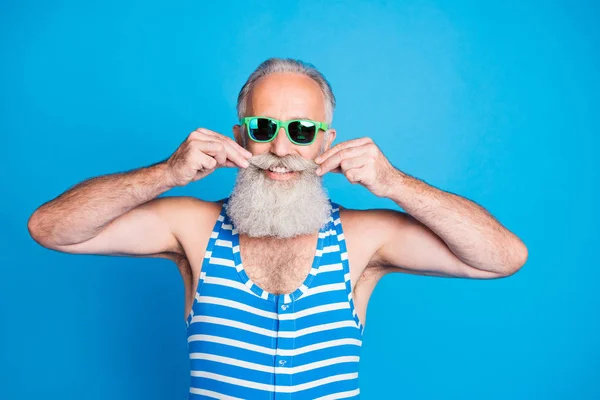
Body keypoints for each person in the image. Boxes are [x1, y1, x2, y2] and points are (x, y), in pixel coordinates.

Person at [27, 57, 528, 399]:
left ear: (326, 142)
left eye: (302, 131)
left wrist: (395, 183)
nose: (282, 150)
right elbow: (51, 228)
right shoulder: (193, 229)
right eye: (265, 128)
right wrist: (167, 173)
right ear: (241, 136)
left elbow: (502, 257)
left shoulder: (361, 239)